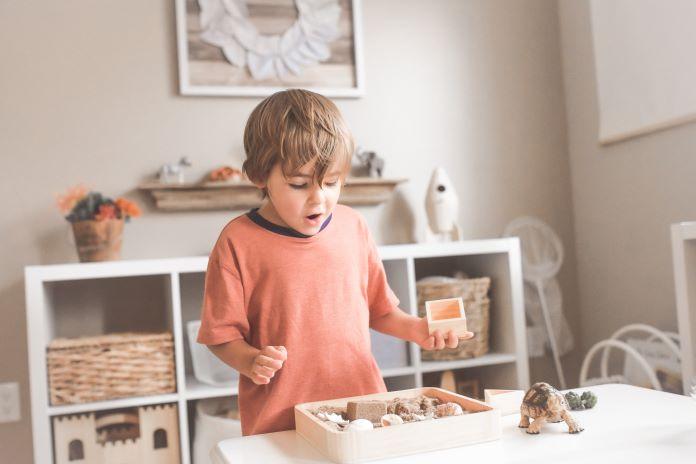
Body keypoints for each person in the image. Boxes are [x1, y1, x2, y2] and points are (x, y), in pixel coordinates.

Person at [197, 89, 460, 436]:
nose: (318, 198)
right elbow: (220, 335)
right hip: (281, 422)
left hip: (362, 411)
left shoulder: (353, 226)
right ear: (260, 176)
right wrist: (249, 361)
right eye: (298, 184)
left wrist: (417, 329)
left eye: (332, 182)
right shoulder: (237, 242)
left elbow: (379, 310)